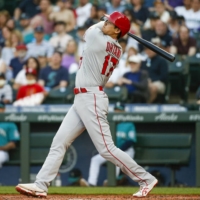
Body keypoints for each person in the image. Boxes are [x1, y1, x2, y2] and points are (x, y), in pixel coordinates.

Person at [16, 11, 157, 198]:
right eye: (105, 21)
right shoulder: (117, 47)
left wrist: (114, 26)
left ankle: (145, 179)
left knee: (107, 149)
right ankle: (41, 184)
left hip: (91, 98)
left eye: (109, 22)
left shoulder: (98, 38)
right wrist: (116, 26)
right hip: (83, 98)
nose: (104, 22)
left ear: (116, 30)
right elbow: (102, 27)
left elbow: (93, 28)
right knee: (59, 142)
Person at [87, 102, 136, 186]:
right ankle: (91, 184)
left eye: (120, 110)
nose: (117, 112)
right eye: (116, 110)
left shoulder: (129, 124)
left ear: (124, 112)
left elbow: (131, 141)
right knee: (95, 159)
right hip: (112, 151)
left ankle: (111, 183)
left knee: (116, 159)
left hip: (126, 151)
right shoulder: (109, 124)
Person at [0, 102, 20, 168]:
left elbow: (13, 144)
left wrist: (1, 148)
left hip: (2, 152)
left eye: (0, 108)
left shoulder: (10, 123)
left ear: (4, 109)